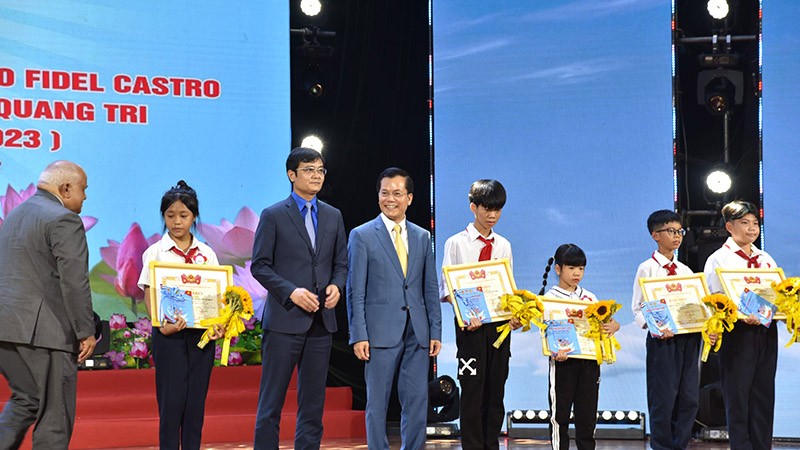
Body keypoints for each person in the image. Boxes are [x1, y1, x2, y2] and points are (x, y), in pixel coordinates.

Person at [251, 147, 348, 450]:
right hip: (284, 322)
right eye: (309, 170)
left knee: (313, 405)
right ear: (291, 175)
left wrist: (337, 286)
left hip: (321, 323)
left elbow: (341, 264)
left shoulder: (333, 215)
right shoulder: (273, 215)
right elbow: (260, 266)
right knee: (271, 403)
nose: (316, 175)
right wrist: (291, 292)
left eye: (320, 170)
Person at [0, 160, 96, 449]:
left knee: (26, 399)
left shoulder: (16, 214)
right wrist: (85, 331)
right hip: (46, 333)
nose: (85, 196)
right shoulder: (64, 219)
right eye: (83, 189)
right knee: (55, 418)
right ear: (65, 189)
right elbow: (74, 280)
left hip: (6, 330)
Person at [347, 167, 442, 450]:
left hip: (418, 330)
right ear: (378, 196)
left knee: (417, 400)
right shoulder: (362, 235)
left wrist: (435, 330)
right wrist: (358, 334)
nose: (391, 199)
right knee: (377, 402)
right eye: (385, 193)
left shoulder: (422, 236)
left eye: (397, 193)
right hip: (378, 331)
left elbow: (429, 287)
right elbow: (355, 290)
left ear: (409, 198)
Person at [137, 180, 225, 450]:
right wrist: (160, 325)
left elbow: (216, 295)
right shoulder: (155, 252)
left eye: (183, 215)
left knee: (195, 405)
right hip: (168, 336)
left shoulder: (207, 253)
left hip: (201, 338)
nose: (177, 222)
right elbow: (149, 293)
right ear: (163, 216)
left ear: (194, 216)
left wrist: (218, 325)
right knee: (171, 404)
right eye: (170, 215)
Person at [438, 179, 519, 450]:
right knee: (472, 390)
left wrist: (514, 313)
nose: (493, 215)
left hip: (499, 327)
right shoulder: (456, 243)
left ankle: (491, 445)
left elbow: (508, 287)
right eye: (487, 208)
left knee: (496, 390)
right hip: (469, 328)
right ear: (473, 207)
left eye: (498, 209)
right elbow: (447, 288)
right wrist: (465, 315)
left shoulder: (504, 245)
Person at [703, 200, 777, 450]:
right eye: (745, 223)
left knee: (764, 393)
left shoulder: (765, 258)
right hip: (737, 332)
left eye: (755, 223)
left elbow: (776, 293)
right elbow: (714, 299)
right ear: (729, 226)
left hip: (765, 329)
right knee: (738, 395)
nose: (752, 228)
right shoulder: (719, 259)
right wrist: (738, 315)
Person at [539, 244, 619, 450]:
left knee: (587, 415)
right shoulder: (549, 299)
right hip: (563, 363)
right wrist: (554, 350)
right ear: (558, 269)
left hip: (589, 363)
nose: (577, 273)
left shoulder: (590, 298)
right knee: (560, 415)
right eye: (572, 268)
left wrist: (614, 325)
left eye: (581, 268)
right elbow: (546, 332)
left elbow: (606, 322)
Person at [630, 210, 698, 450]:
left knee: (689, 398)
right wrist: (657, 326)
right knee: (663, 398)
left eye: (680, 231)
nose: (677, 236)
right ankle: (662, 446)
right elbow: (638, 307)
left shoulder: (685, 271)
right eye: (671, 231)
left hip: (688, 338)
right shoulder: (647, 268)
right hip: (663, 340)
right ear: (655, 235)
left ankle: (680, 445)